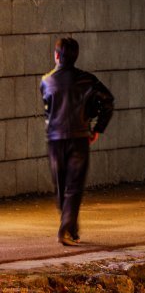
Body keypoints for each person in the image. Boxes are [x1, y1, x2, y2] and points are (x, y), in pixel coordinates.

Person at [41, 37, 115, 246]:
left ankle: (69, 227)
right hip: (79, 137)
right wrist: (98, 127)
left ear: (56, 56)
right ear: (76, 56)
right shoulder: (88, 80)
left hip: (55, 139)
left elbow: (47, 109)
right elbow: (108, 101)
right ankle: (67, 227)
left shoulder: (46, 81)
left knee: (60, 185)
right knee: (74, 186)